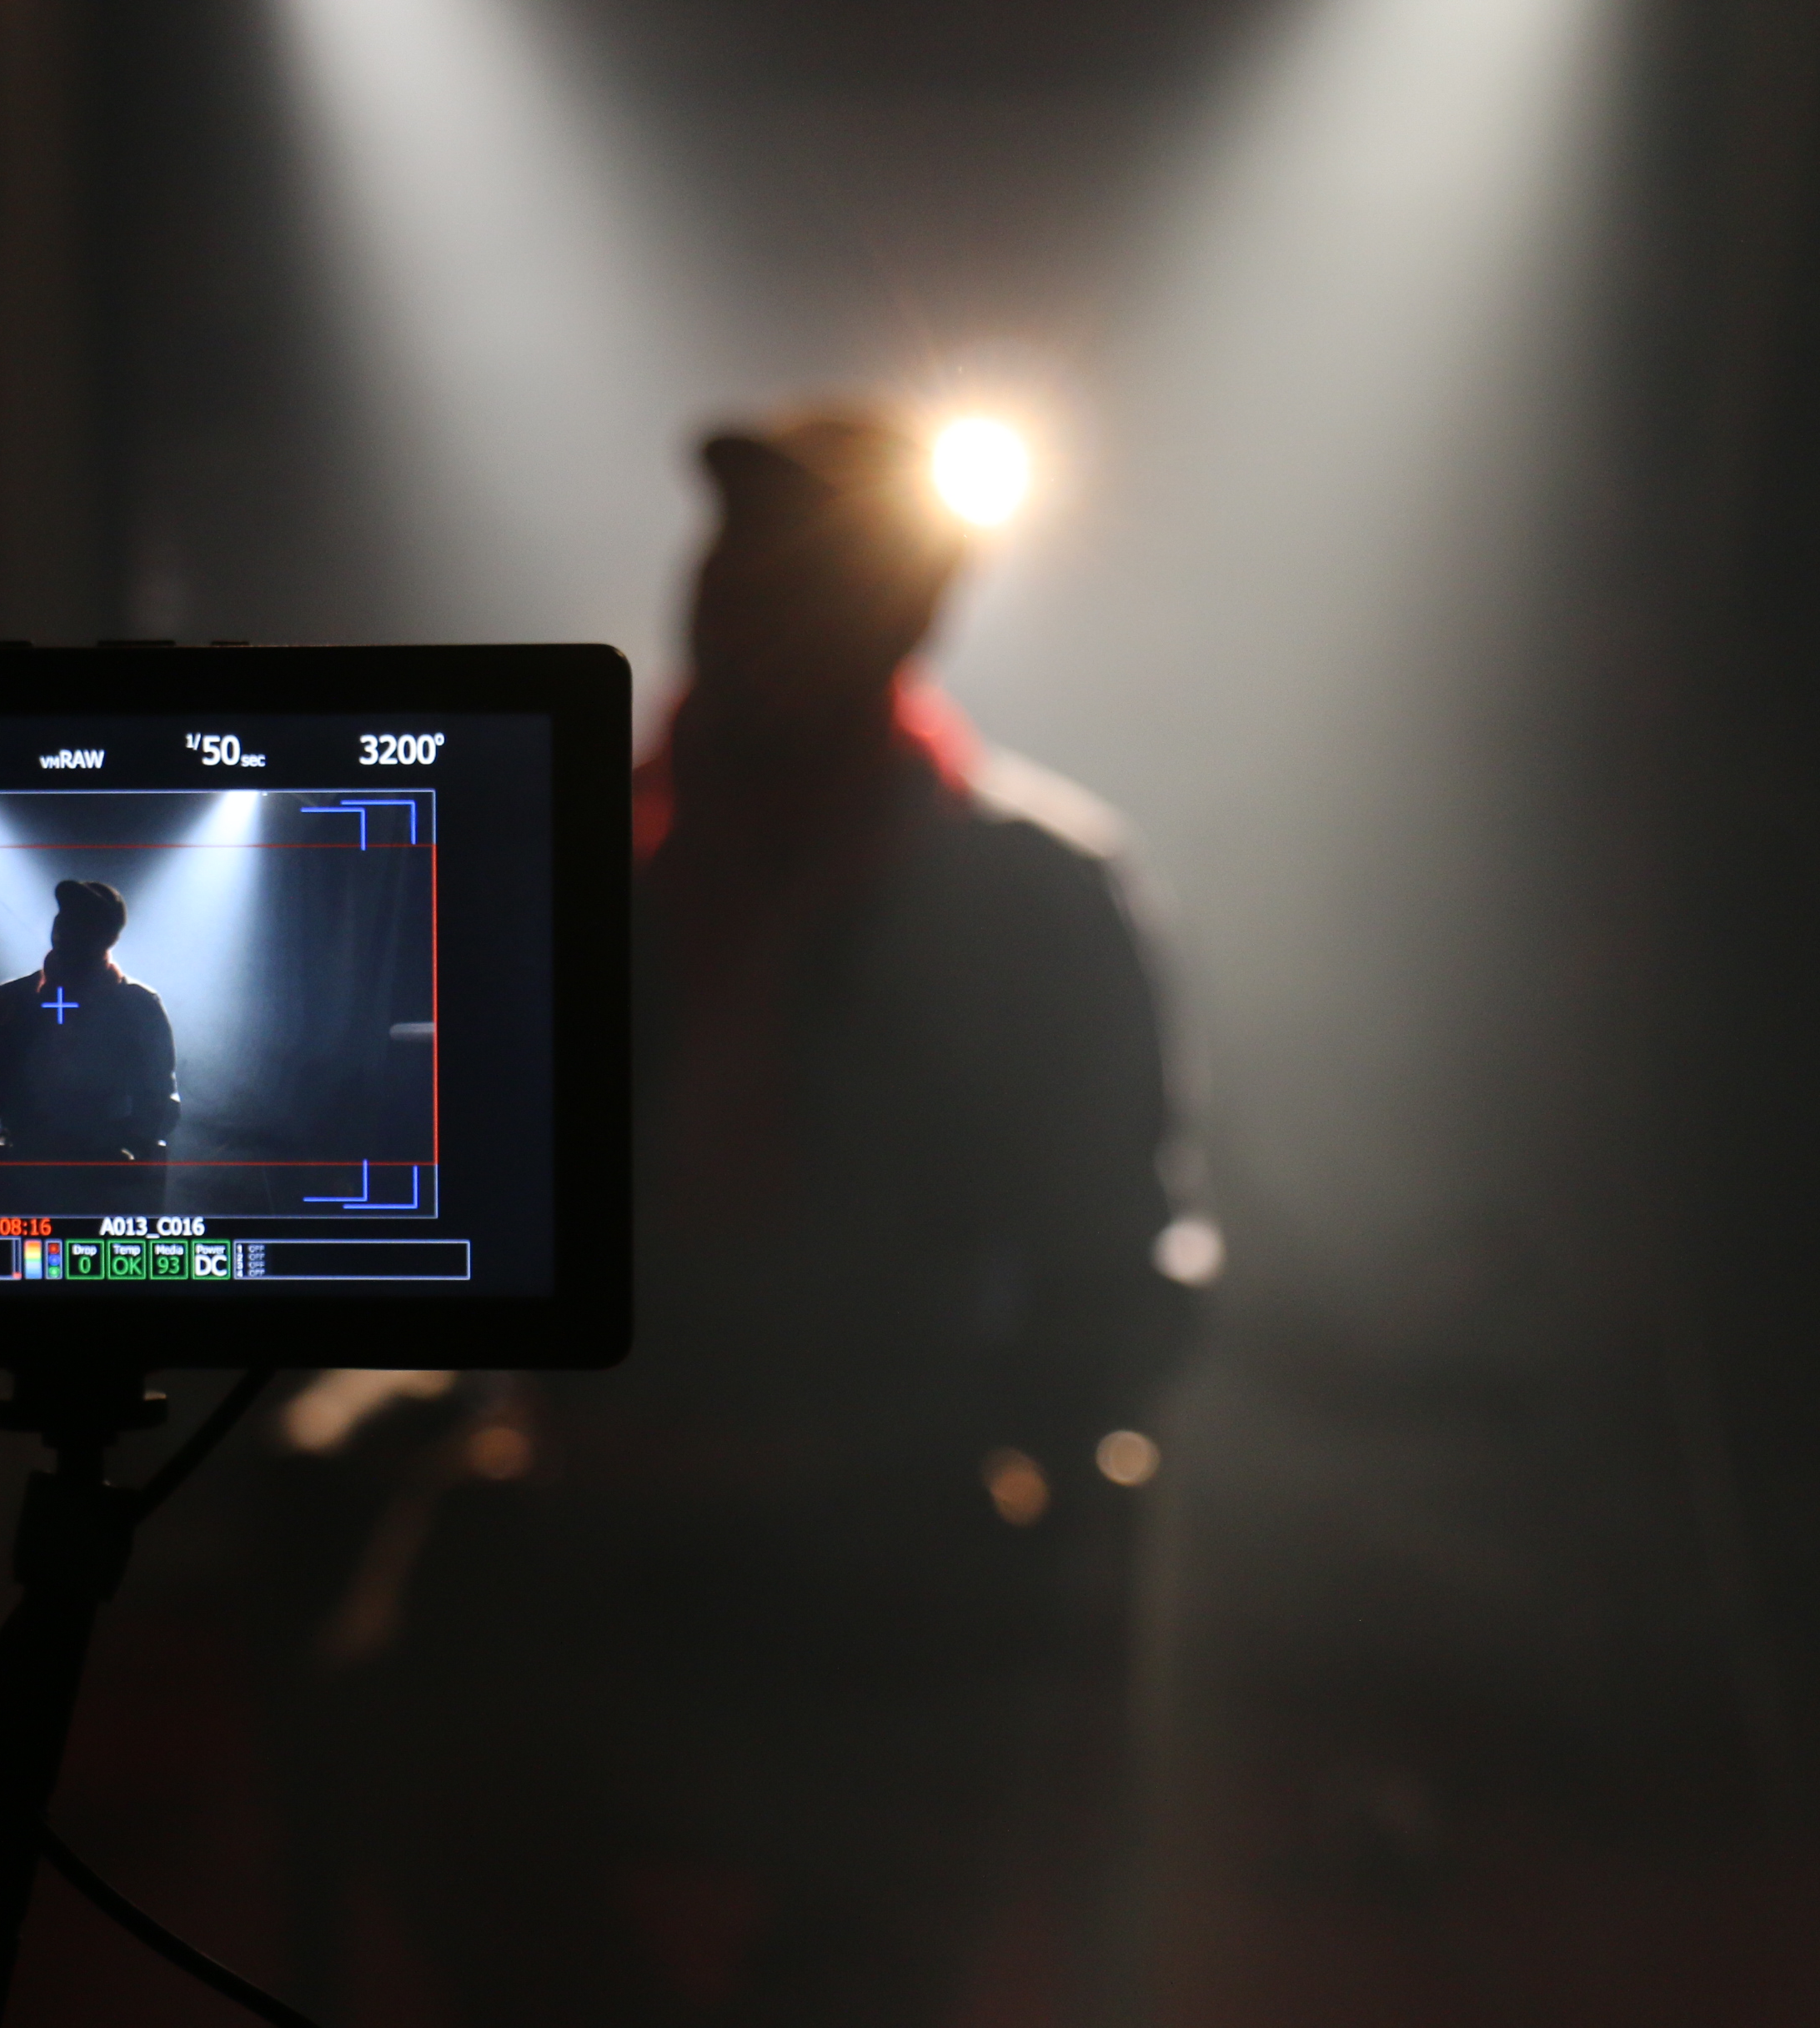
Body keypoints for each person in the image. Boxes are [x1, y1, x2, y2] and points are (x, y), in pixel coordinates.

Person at [353, 404, 1198, 2028]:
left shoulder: (1030, 895)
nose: (736, 610)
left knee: (885, 1876)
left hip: (888, 1518)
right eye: (728, 568)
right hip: (590, 1494)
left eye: (789, 578)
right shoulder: (580, 866)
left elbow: (1119, 1274)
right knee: (417, 1716)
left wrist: (928, 1454)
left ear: (902, 623)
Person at [0, 878, 179, 1215]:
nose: (65, 928)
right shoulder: (14, 998)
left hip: (100, 1171)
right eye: (64, 916)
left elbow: (161, 1099)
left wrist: (129, 1146)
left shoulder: (138, 1006)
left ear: (109, 937)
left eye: (83, 921)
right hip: (25, 1162)